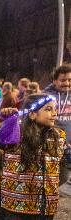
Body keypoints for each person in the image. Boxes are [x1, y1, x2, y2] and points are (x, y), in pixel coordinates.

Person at [0, 94, 66, 219]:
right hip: (13, 207)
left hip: (44, 208)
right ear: (32, 114)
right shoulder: (15, 134)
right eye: (48, 109)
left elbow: (68, 159)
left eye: (55, 109)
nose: (54, 113)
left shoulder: (59, 136)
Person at [44, 65, 71, 197]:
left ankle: (46, 192)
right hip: (50, 142)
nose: (67, 83)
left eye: (69, 80)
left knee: (64, 176)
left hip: (67, 144)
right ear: (54, 81)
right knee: (46, 171)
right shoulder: (47, 95)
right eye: (63, 80)